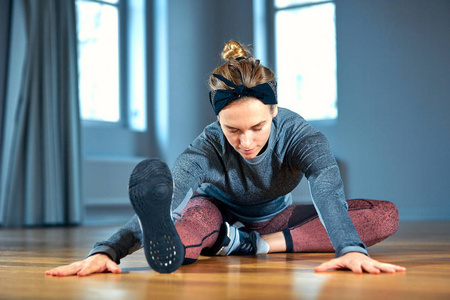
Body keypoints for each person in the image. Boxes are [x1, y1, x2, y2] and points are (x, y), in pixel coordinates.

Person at [46, 41, 406, 276]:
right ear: (217, 119)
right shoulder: (206, 146)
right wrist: (109, 250)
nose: (245, 141)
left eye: (257, 126)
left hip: (276, 221)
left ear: (274, 109)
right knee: (181, 238)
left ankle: (251, 245)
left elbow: (328, 194)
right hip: (214, 215)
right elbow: (165, 199)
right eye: (232, 129)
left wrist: (349, 248)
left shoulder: (303, 136)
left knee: (384, 215)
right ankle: (221, 238)